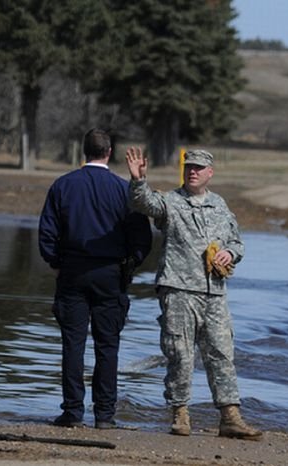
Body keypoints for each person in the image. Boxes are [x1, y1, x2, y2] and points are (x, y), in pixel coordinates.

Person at [125, 146, 262, 441]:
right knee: (180, 355)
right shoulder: (171, 202)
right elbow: (143, 203)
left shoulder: (220, 206)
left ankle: (230, 417)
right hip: (178, 290)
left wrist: (229, 253)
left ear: (210, 173)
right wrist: (138, 180)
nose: (193, 171)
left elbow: (237, 243)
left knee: (221, 354)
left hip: (214, 293)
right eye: (189, 167)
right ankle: (180, 414)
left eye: (199, 167)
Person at [39, 128, 152, 429]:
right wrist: (129, 266)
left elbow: (47, 233)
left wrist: (55, 263)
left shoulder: (63, 185)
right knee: (107, 345)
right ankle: (104, 415)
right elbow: (142, 238)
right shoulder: (122, 190)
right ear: (109, 152)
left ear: (83, 152)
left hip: (72, 271)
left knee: (72, 344)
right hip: (110, 273)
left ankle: (73, 412)